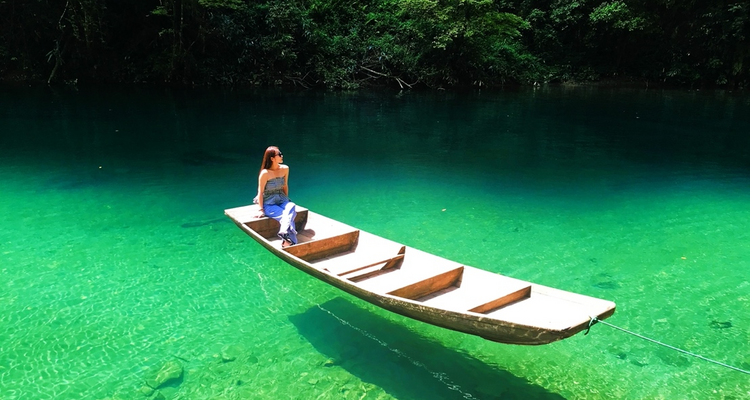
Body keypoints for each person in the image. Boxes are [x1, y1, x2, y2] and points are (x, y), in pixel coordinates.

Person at [254, 146, 298, 248]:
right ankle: (289, 242)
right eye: (279, 154)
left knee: (291, 205)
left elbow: (285, 185)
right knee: (286, 216)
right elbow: (260, 192)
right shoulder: (265, 173)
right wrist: (261, 209)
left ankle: (283, 233)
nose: (282, 156)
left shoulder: (285, 168)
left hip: (282, 198)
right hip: (269, 202)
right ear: (272, 158)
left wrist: (286, 201)